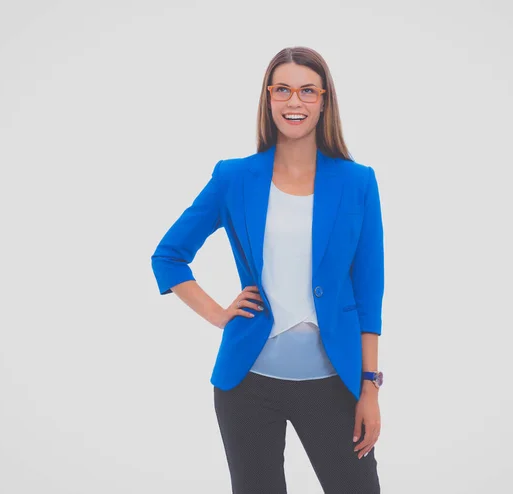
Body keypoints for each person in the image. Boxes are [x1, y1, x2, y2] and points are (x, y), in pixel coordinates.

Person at [151, 46, 385, 494]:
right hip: (247, 385)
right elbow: (168, 255)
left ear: (323, 101)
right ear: (268, 98)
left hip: (333, 383)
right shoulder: (234, 177)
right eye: (282, 90)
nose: (294, 102)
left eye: (306, 91)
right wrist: (218, 313)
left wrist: (370, 387)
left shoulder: (358, 182)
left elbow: (368, 292)